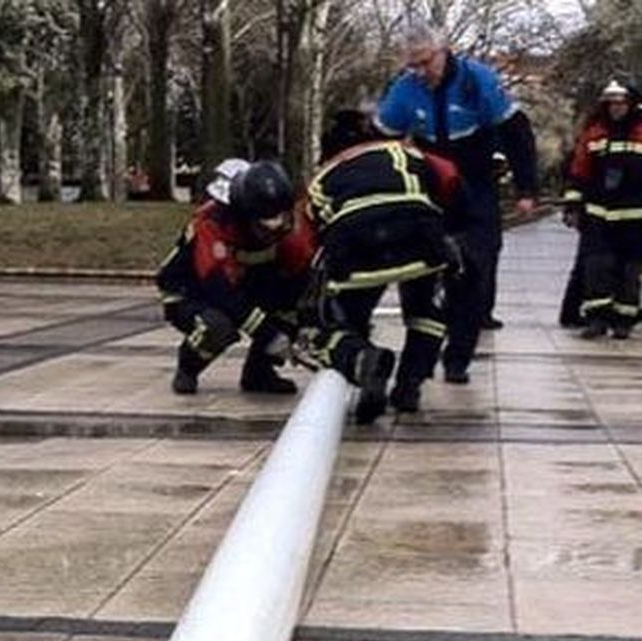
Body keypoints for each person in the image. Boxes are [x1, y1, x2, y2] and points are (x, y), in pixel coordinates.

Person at [373, 24, 538, 381]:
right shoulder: (404, 89)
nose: (420, 72)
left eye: (425, 62)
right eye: (413, 65)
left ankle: (457, 358)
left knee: (474, 273)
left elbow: (517, 133)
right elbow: (379, 141)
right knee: (417, 274)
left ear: (443, 51)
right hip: (429, 188)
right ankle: (419, 359)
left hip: (475, 184)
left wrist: (526, 189)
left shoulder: (478, 81)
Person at [294, 110, 466, 423]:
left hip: (354, 248)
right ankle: (409, 386)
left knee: (346, 317)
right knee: (427, 311)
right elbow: (450, 177)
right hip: (419, 236)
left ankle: (364, 360)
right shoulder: (404, 152)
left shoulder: (322, 176)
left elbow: (307, 240)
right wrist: (448, 230)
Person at [155, 158, 315, 395]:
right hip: (191, 292)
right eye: (266, 223)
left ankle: (259, 373)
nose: (277, 228)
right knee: (219, 326)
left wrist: (304, 328)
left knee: (296, 302)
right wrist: (269, 334)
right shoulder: (212, 224)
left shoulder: (285, 225)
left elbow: (301, 273)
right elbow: (219, 288)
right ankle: (188, 365)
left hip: (241, 284)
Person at [562, 78, 642, 340]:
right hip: (597, 216)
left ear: (632, 104)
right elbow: (578, 172)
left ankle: (623, 320)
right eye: (611, 103)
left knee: (629, 271)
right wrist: (572, 206)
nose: (615, 108)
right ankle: (597, 319)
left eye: (621, 103)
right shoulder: (594, 134)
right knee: (596, 268)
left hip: (637, 218)